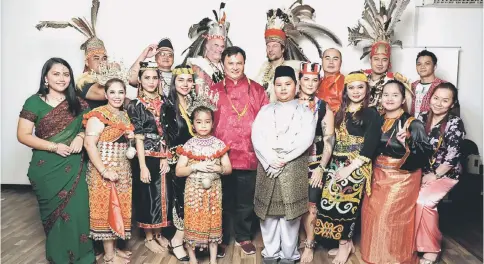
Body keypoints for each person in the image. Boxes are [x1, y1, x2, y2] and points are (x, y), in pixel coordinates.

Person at [17, 58, 95, 264]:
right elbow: (23, 135)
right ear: (46, 77)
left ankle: (83, 257)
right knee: (54, 216)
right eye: (56, 74)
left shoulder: (80, 103)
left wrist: (80, 137)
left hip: (75, 166)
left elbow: (89, 127)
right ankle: (59, 257)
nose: (62, 78)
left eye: (66, 74)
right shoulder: (33, 102)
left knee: (78, 212)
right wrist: (54, 146)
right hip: (47, 168)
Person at [360, 80, 433, 264]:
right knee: (371, 214)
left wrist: (406, 144)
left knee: (390, 217)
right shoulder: (378, 119)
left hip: (402, 177)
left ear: (402, 99)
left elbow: (425, 154)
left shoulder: (412, 123)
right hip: (377, 174)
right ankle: (374, 255)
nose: (389, 98)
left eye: (395, 95)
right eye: (386, 94)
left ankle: (394, 258)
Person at [314, 71, 381, 264]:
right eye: (351, 87)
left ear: (367, 89)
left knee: (346, 208)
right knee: (329, 204)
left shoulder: (372, 114)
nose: (356, 91)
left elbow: (369, 147)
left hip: (356, 165)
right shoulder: (340, 112)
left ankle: (344, 247)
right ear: (346, 90)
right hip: (336, 162)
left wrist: (349, 169)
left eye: (360, 87)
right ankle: (347, 242)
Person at [252, 65, 317, 264]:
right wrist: (269, 159)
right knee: (269, 216)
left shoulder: (305, 111)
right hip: (268, 166)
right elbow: (257, 137)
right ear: (273, 87)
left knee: (291, 217)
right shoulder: (265, 110)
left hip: (293, 166)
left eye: (287, 84)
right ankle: (270, 253)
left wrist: (284, 158)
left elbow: (306, 139)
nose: (283, 88)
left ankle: (289, 255)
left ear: (296, 86)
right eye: (278, 85)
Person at [210, 46, 269, 257]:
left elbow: (266, 122)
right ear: (223, 65)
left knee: (246, 201)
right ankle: (222, 238)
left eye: (239, 63)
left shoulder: (257, 90)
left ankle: (243, 236)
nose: (235, 68)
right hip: (221, 154)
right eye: (230, 63)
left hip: (249, 153)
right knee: (223, 199)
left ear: (244, 64)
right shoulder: (213, 90)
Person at [175, 89, 233, 264]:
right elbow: (178, 171)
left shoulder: (218, 144)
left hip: (214, 191)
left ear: (213, 123)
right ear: (193, 123)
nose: (203, 126)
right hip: (193, 191)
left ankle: (213, 260)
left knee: (213, 222)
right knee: (193, 222)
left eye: (207, 122)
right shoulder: (189, 145)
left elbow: (228, 168)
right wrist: (196, 166)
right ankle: (193, 259)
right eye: (199, 122)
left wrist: (217, 168)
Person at [83, 78, 134, 264]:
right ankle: (109, 256)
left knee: (117, 210)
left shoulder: (124, 115)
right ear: (105, 95)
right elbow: (89, 144)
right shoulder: (98, 114)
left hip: (122, 171)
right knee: (107, 210)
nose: (117, 96)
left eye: (121, 92)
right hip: (103, 172)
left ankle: (114, 250)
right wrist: (104, 171)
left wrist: (131, 138)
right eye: (112, 92)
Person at [416, 83, 465, 264]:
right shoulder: (421, 118)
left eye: (445, 100)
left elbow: (452, 157)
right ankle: (410, 243)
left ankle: (431, 248)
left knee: (424, 202)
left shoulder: (455, 122)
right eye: (436, 98)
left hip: (445, 174)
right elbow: (415, 146)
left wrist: (434, 175)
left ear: (452, 104)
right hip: (423, 171)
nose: (438, 103)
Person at [126, 61, 171, 253]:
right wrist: (142, 165)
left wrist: (165, 156)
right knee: (147, 195)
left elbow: (168, 132)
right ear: (140, 81)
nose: (151, 82)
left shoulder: (166, 103)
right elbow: (138, 135)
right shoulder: (136, 105)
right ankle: (148, 237)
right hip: (144, 155)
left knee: (163, 195)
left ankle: (159, 233)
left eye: (155, 78)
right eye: (147, 78)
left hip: (162, 155)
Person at [255, 4, 341, 102]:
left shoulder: (295, 67)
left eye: (275, 46)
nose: (270, 49)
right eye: (268, 46)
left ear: (283, 49)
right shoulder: (263, 68)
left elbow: (312, 85)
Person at [35, 0, 113, 109]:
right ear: (87, 61)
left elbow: (126, 90)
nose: (101, 61)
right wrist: (116, 73)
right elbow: (106, 94)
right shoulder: (82, 83)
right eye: (96, 58)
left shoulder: (106, 78)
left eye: (104, 58)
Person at [296, 62, 335, 263]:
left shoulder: (323, 107)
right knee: (297, 205)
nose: (310, 84)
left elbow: (329, 139)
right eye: (306, 79)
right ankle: (301, 239)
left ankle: (310, 245)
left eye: (314, 80)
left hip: (315, 163)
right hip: (293, 164)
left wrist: (321, 168)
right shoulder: (289, 102)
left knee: (312, 205)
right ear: (299, 80)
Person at [347, 0, 413, 113]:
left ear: (389, 61)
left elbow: (406, 110)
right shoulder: (359, 77)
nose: (380, 63)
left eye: (384, 60)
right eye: (376, 59)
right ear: (370, 59)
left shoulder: (396, 81)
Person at [161, 65, 196, 262]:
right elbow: (167, 137)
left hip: (196, 159)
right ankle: (177, 241)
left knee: (194, 200)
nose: (185, 84)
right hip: (178, 162)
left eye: (189, 80)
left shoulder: (195, 102)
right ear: (174, 82)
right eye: (180, 80)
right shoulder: (168, 107)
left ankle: (191, 240)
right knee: (182, 201)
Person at [183, 3, 232, 89]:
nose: (219, 49)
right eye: (216, 45)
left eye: (222, 46)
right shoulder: (198, 64)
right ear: (207, 46)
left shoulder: (226, 66)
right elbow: (201, 97)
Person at [410, 50, 446, 118]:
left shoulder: (443, 86)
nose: (422, 67)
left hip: (434, 127)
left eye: (427, 63)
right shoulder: (411, 86)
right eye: (419, 64)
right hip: (412, 126)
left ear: (435, 66)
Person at [316, 48, 345, 113]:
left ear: (341, 62)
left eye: (335, 59)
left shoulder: (346, 84)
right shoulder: (316, 81)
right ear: (322, 61)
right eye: (327, 58)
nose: (331, 62)